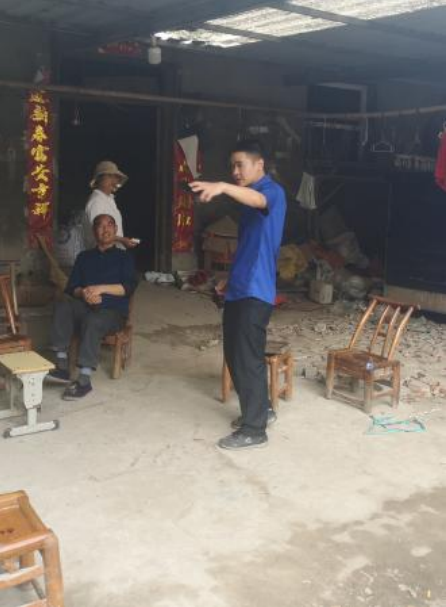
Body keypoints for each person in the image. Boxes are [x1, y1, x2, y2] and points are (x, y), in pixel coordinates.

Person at [190, 139, 286, 451]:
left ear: (259, 165)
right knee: (234, 354)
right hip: (239, 288)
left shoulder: (272, 192)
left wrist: (221, 186)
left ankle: (255, 430)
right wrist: (227, 280)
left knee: (248, 358)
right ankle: (262, 410)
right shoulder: (248, 199)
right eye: (231, 166)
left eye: (239, 165)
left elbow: (258, 199)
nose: (234, 171)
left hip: (256, 292)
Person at [47, 214, 138, 400]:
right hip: (85, 306)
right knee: (63, 305)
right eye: (100, 226)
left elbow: (128, 288)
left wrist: (100, 289)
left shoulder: (125, 258)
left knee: (93, 320)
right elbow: (72, 287)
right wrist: (84, 293)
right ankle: (62, 366)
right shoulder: (84, 257)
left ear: (115, 229)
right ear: (94, 231)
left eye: (109, 225)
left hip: (112, 313)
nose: (105, 229)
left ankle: (84, 380)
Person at [83, 160, 138, 250]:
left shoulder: (109, 199)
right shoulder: (97, 201)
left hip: (113, 252)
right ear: (99, 179)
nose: (114, 181)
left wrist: (122, 240)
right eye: (109, 176)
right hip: (102, 254)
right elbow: (100, 232)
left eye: (115, 177)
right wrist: (123, 240)